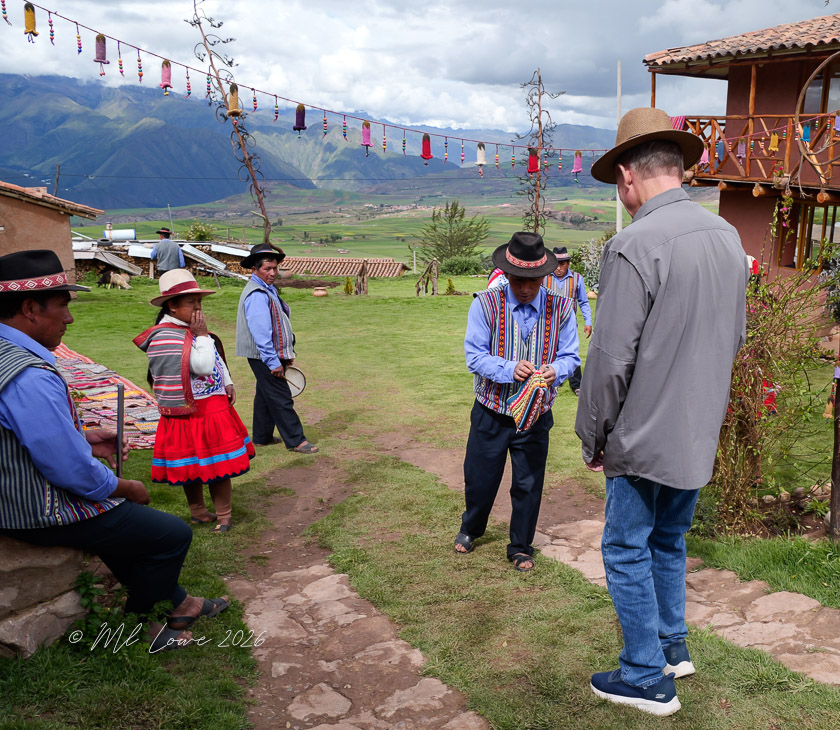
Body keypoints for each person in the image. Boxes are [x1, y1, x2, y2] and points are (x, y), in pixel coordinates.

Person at [577, 107, 748, 716]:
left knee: (626, 547)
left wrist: (592, 434)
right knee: (669, 541)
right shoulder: (727, 237)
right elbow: (734, 335)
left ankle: (647, 675)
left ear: (627, 176)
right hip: (699, 423)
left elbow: (609, 362)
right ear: (677, 167)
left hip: (644, 433)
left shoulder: (633, 245)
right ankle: (673, 647)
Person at [0, 250, 229, 651]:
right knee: (170, 535)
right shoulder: (29, 375)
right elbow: (69, 469)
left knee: (125, 532)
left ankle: (183, 602)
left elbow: (24, 433)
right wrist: (124, 487)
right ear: (30, 308)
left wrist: (82, 436)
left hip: (11, 491)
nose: (69, 318)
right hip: (33, 506)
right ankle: (139, 626)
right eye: (63, 306)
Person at [454, 232, 579, 572]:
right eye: (519, 280)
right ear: (507, 274)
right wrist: (509, 368)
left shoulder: (562, 307)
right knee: (480, 479)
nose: (525, 288)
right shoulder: (485, 304)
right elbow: (474, 356)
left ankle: (521, 546)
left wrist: (556, 370)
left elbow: (571, 356)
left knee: (528, 483)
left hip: (535, 415)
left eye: (533, 281)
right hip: (491, 411)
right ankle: (471, 527)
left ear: (544, 276)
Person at [134, 270, 255, 534]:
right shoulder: (166, 336)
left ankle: (224, 516)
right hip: (191, 412)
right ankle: (199, 512)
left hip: (211, 406)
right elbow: (202, 365)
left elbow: (215, 359)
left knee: (217, 465)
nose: (198, 308)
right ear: (172, 306)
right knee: (193, 465)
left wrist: (227, 381)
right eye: (191, 303)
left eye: (199, 302)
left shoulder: (188, 331)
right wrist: (201, 335)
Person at [235, 243, 318, 453]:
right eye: (267, 269)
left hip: (269, 353)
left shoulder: (266, 289)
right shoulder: (256, 294)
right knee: (281, 397)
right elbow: (261, 334)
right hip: (264, 355)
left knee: (265, 394)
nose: (272, 273)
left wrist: (285, 355)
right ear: (254, 270)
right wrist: (274, 362)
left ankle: (262, 436)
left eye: (275, 268)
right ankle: (297, 440)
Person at [544, 246, 592, 395]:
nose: (559, 268)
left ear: (568, 264)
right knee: (549, 352)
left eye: (562, 264)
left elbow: (583, 302)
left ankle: (576, 384)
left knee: (571, 352)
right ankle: (550, 381)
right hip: (548, 321)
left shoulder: (577, 279)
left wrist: (588, 321)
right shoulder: (544, 277)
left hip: (568, 323)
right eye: (556, 264)